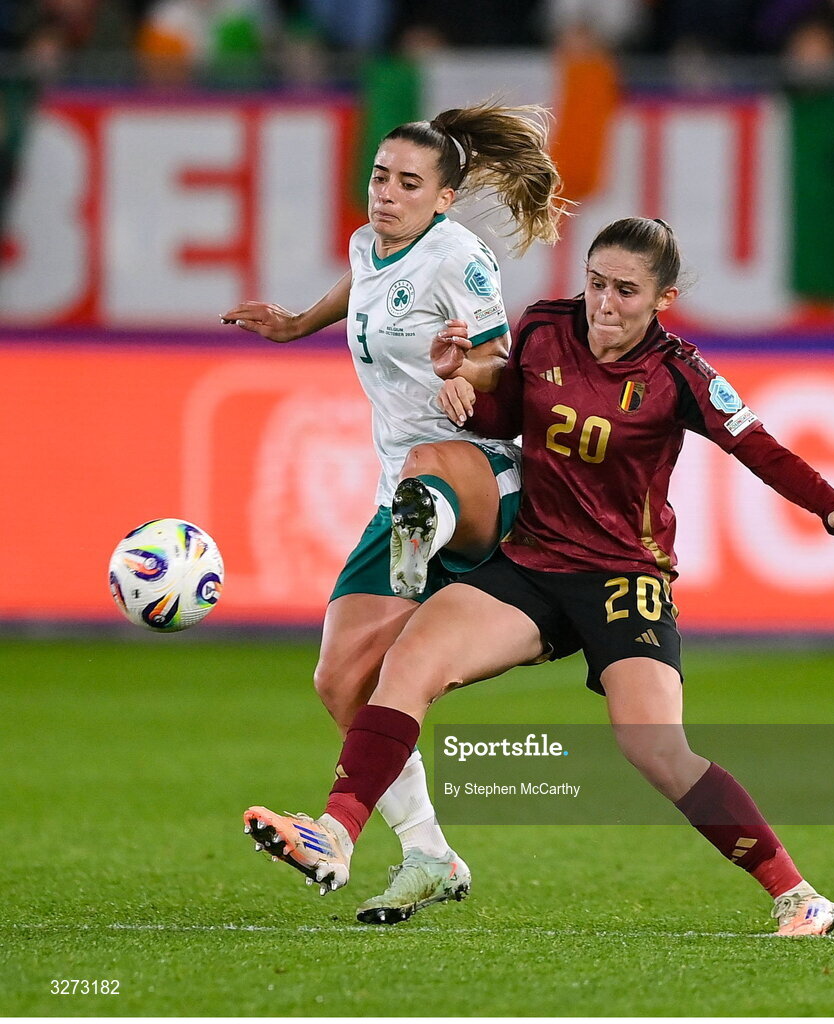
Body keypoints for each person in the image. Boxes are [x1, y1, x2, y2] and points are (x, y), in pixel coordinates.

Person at [246, 217, 834, 935]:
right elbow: (505, 414)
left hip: (621, 578)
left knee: (654, 747)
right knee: (407, 662)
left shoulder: (678, 374)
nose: (605, 304)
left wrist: (831, 508)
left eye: (625, 292)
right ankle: (335, 833)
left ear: (661, 299)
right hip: (533, 562)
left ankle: (796, 894)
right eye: (596, 283)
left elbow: (759, 448)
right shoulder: (547, 327)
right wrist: (463, 380)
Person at [225, 102, 565, 924]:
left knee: (425, 466)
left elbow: (499, 360)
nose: (385, 193)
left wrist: (470, 377)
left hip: (479, 475)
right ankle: (428, 852)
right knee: (342, 683)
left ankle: (426, 544)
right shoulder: (367, 241)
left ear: (443, 198)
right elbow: (370, 283)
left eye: (408, 184)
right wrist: (299, 322)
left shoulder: (461, 256)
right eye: (380, 176)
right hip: (401, 496)